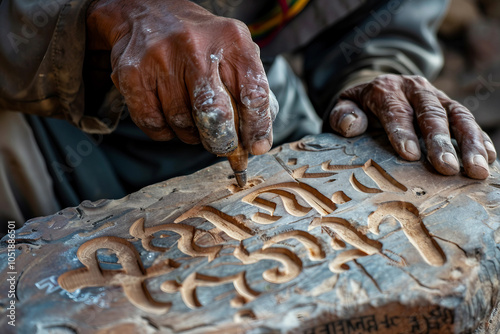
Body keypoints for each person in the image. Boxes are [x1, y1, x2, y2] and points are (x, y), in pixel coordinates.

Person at [0, 0, 496, 227]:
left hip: (254, 92)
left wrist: (378, 74)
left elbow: (382, 23)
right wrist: (112, 11)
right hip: (44, 110)